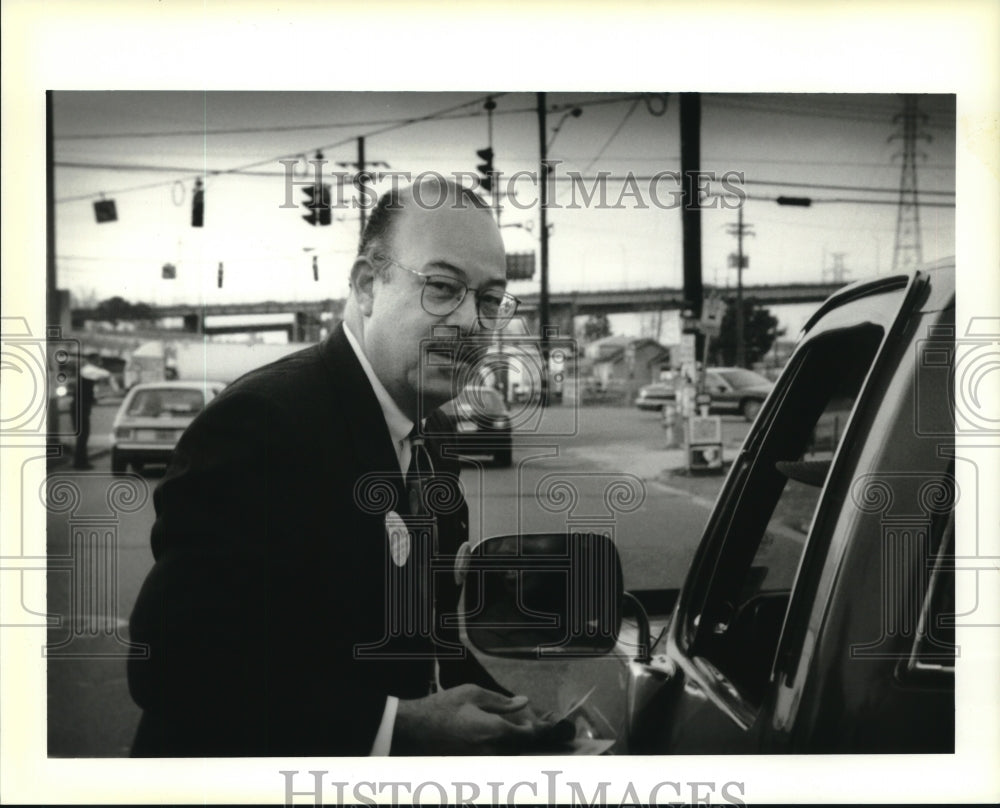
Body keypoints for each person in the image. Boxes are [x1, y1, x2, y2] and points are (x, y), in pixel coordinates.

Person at [127, 179, 559, 756]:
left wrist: (517, 718)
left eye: (488, 300)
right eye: (443, 287)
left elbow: (421, 641)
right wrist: (400, 724)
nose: (471, 322)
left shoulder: (432, 436)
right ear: (366, 285)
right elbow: (174, 671)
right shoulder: (262, 425)